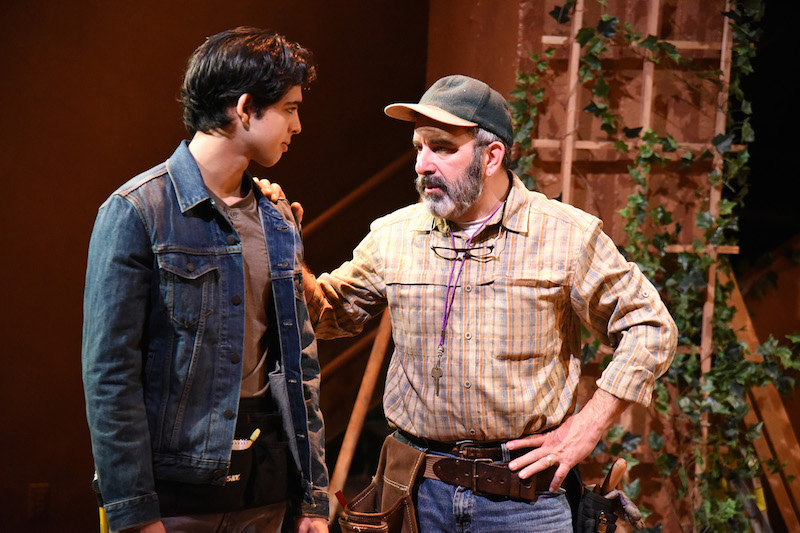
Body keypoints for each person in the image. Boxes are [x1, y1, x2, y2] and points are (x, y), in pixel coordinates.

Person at [263, 74, 676, 531]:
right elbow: (329, 314)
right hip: (415, 494)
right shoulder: (394, 235)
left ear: (491, 155)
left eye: (441, 147)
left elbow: (649, 325)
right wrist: (286, 251)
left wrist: (587, 427)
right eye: (418, 147)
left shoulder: (565, 236)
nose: (422, 164)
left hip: (524, 504)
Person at [82, 27, 328, 533]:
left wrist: (313, 499)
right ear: (244, 108)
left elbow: (299, 365)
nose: (298, 125)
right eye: (289, 107)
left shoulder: (278, 219)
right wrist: (134, 511)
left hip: (265, 489)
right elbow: (110, 375)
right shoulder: (138, 211)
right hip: (175, 496)